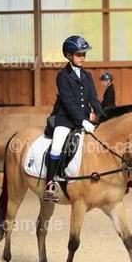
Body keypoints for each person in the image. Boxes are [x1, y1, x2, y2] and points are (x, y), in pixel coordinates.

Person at [43, 35, 106, 202]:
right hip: (66, 121)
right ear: (69, 55)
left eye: (84, 54)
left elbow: (94, 98)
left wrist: (102, 115)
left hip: (85, 121)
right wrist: (82, 121)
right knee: (56, 147)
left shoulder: (87, 75)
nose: (83, 58)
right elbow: (68, 102)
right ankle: (50, 184)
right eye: (79, 54)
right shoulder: (62, 76)